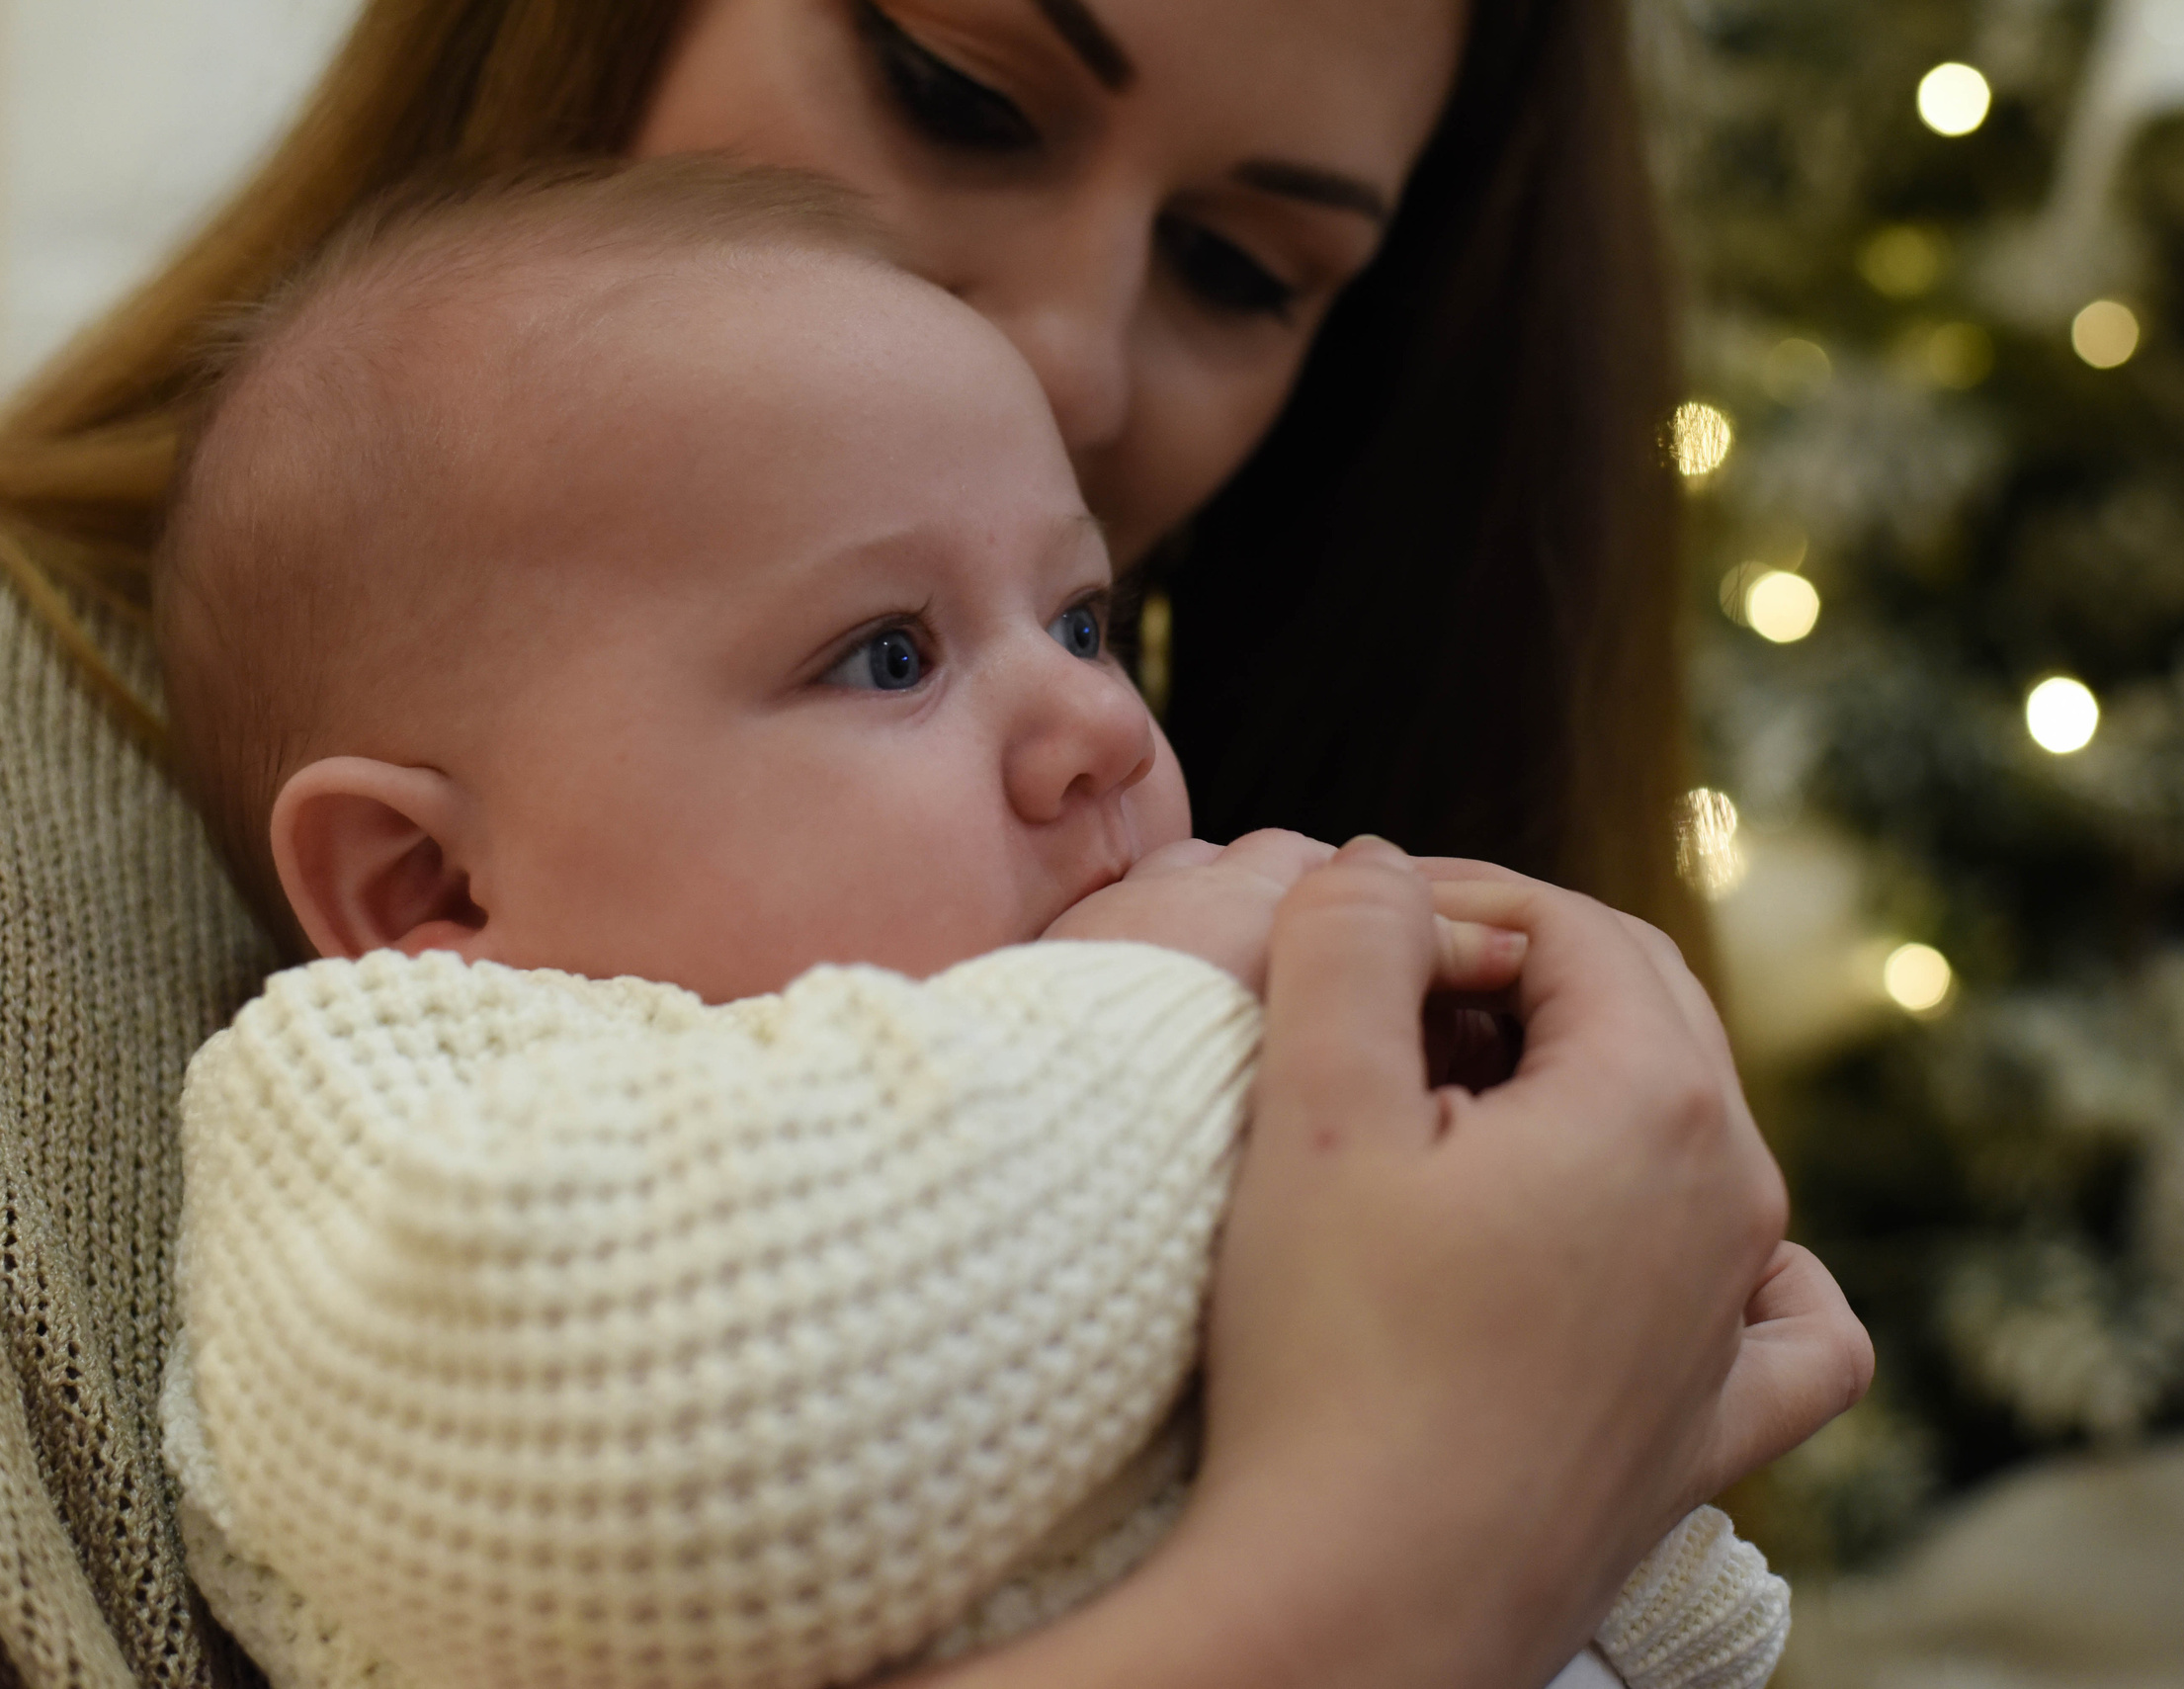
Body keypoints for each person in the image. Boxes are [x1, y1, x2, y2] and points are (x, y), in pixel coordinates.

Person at [0, 4, 1872, 1686]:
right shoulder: (428, 1109)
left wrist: (1646, 1414)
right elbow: (682, 1419)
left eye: (1079, 622)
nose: (1099, 726)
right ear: (426, 891)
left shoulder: (1035, 954)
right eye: (958, 89)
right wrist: (1452, 1512)